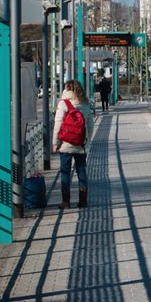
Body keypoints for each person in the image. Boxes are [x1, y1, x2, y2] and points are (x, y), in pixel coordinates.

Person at [52, 79, 93, 209]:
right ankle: (83, 201)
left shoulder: (63, 104)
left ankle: (66, 202)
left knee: (65, 172)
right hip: (81, 144)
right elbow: (90, 125)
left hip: (65, 144)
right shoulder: (85, 103)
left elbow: (58, 124)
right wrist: (87, 141)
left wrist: (55, 143)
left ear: (66, 89)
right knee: (81, 171)